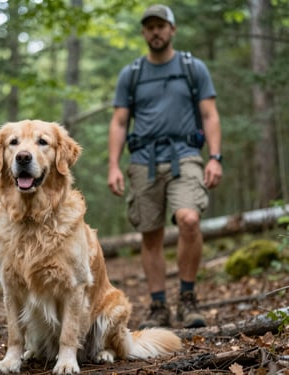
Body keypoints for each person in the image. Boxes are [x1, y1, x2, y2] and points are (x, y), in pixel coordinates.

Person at [107, 4, 222, 329]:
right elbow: (119, 122)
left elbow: (211, 114)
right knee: (151, 235)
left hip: (185, 155)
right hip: (143, 161)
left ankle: (187, 298)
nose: (155, 31)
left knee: (189, 219)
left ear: (172, 29)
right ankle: (159, 305)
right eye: (150, 27)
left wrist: (215, 157)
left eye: (161, 26)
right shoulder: (132, 74)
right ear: (144, 33)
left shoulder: (192, 67)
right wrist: (114, 165)